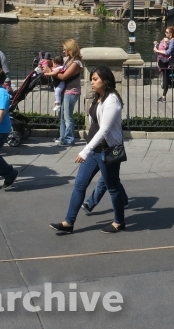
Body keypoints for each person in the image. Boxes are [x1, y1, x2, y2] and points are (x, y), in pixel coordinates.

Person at [50, 66, 127, 234]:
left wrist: (85, 150)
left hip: (107, 151)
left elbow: (105, 130)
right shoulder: (99, 97)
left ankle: (119, 222)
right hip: (95, 151)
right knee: (79, 186)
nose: (91, 82)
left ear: (105, 81)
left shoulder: (112, 100)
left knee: (113, 188)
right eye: (91, 79)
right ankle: (68, 222)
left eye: (95, 79)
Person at [54, 39, 84, 146]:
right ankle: (62, 137)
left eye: (65, 49)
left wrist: (51, 73)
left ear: (70, 49)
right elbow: (57, 65)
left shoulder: (76, 62)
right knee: (62, 116)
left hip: (72, 92)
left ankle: (69, 138)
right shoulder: (67, 59)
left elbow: (63, 76)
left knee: (67, 116)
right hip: (65, 91)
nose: (63, 51)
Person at [155, 26, 174, 102]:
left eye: (167, 32)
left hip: (168, 61)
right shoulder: (171, 40)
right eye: (165, 32)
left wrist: (157, 50)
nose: (165, 33)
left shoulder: (173, 41)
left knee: (165, 79)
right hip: (164, 61)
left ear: (171, 33)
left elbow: (168, 52)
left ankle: (163, 97)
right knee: (167, 78)